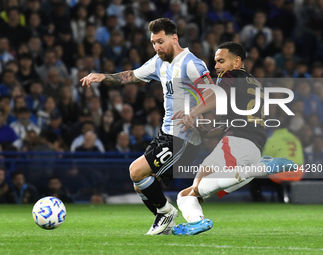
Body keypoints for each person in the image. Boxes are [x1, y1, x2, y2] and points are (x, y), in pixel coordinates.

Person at [81, 18, 213, 235]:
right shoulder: (159, 62)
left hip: (184, 137)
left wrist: (195, 113)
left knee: (136, 171)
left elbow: (213, 96)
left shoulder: (191, 63)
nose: (157, 47)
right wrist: (102, 77)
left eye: (160, 41)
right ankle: (165, 219)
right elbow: (131, 76)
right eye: (153, 43)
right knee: (140, 183)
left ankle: (166, 212)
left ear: (174, 38)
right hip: (166, 133)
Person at [170, 42, 295, 235]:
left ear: (237, 62)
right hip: (251, 146)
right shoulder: (253, 82)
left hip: (237, 143)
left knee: (197, 186)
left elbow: (217, 96)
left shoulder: (231, 76)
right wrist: (204, 130)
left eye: (221, 61)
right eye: (215, 62)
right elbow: (234, 122)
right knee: (188, 194)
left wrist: (193, 112)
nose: (217, 67)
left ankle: (264, 168)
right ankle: (197, 221)